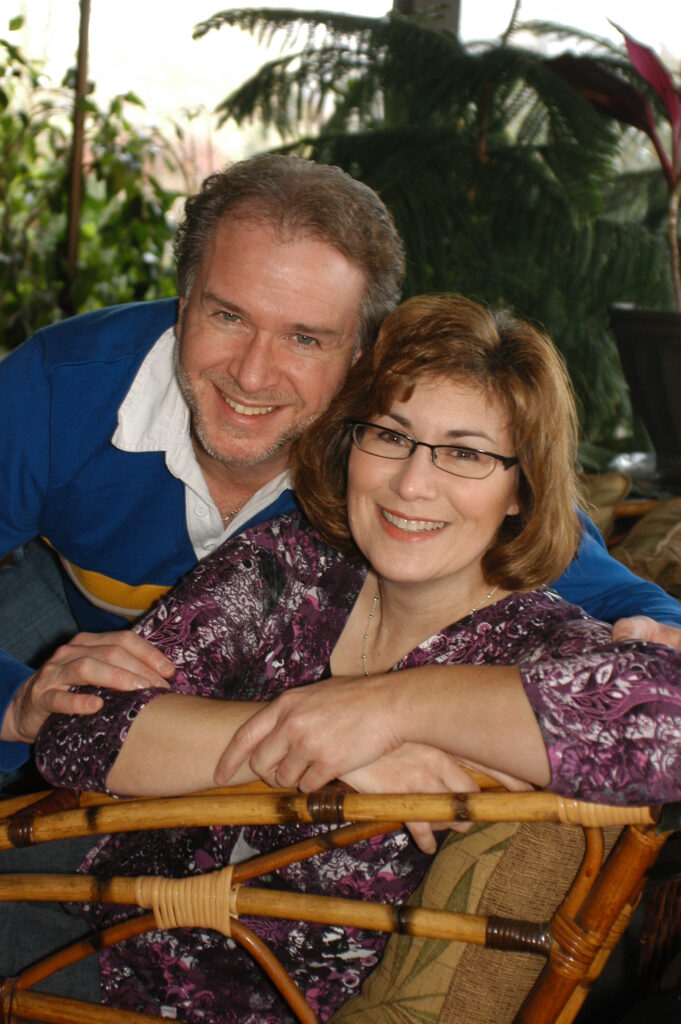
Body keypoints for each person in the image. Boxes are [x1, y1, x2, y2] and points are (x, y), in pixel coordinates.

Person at [19, 294, 681, 1023]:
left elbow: (664, 727)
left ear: (521, 488)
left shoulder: (544, 652)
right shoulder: (287, 569)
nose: (412, 482)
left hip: (257, 1004)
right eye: (390, 436)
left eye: (465, 452)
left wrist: (384, 709)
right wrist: (314, 745)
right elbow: (81, 730)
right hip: (98, 934)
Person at [2, 154, 681, 790]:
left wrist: (379, 714)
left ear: (361, 353)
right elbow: (77, 728)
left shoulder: (395, 468)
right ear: (183, 306)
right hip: (63, 622)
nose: (252, 373)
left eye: (306, 338)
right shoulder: (60, 388)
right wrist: (14, 704)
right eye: (227, 315)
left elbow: (638, 624)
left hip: (210, 733)